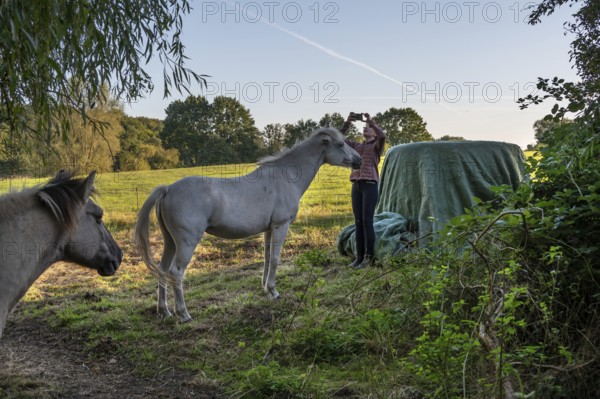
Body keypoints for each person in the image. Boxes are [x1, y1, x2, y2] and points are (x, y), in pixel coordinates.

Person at [340, 112, 386, 268]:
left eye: (369, 128)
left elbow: (382, 136)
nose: (366, 128)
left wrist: (371, 122)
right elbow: (338, 139)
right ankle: (359, 257)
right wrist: (347, 122)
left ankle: (369, 257)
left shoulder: (376, 146)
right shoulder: (356, 146)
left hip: (370, 185)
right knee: (358, 222)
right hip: (357, 185)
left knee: (367, 221)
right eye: (365, 127)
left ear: (373, 131)